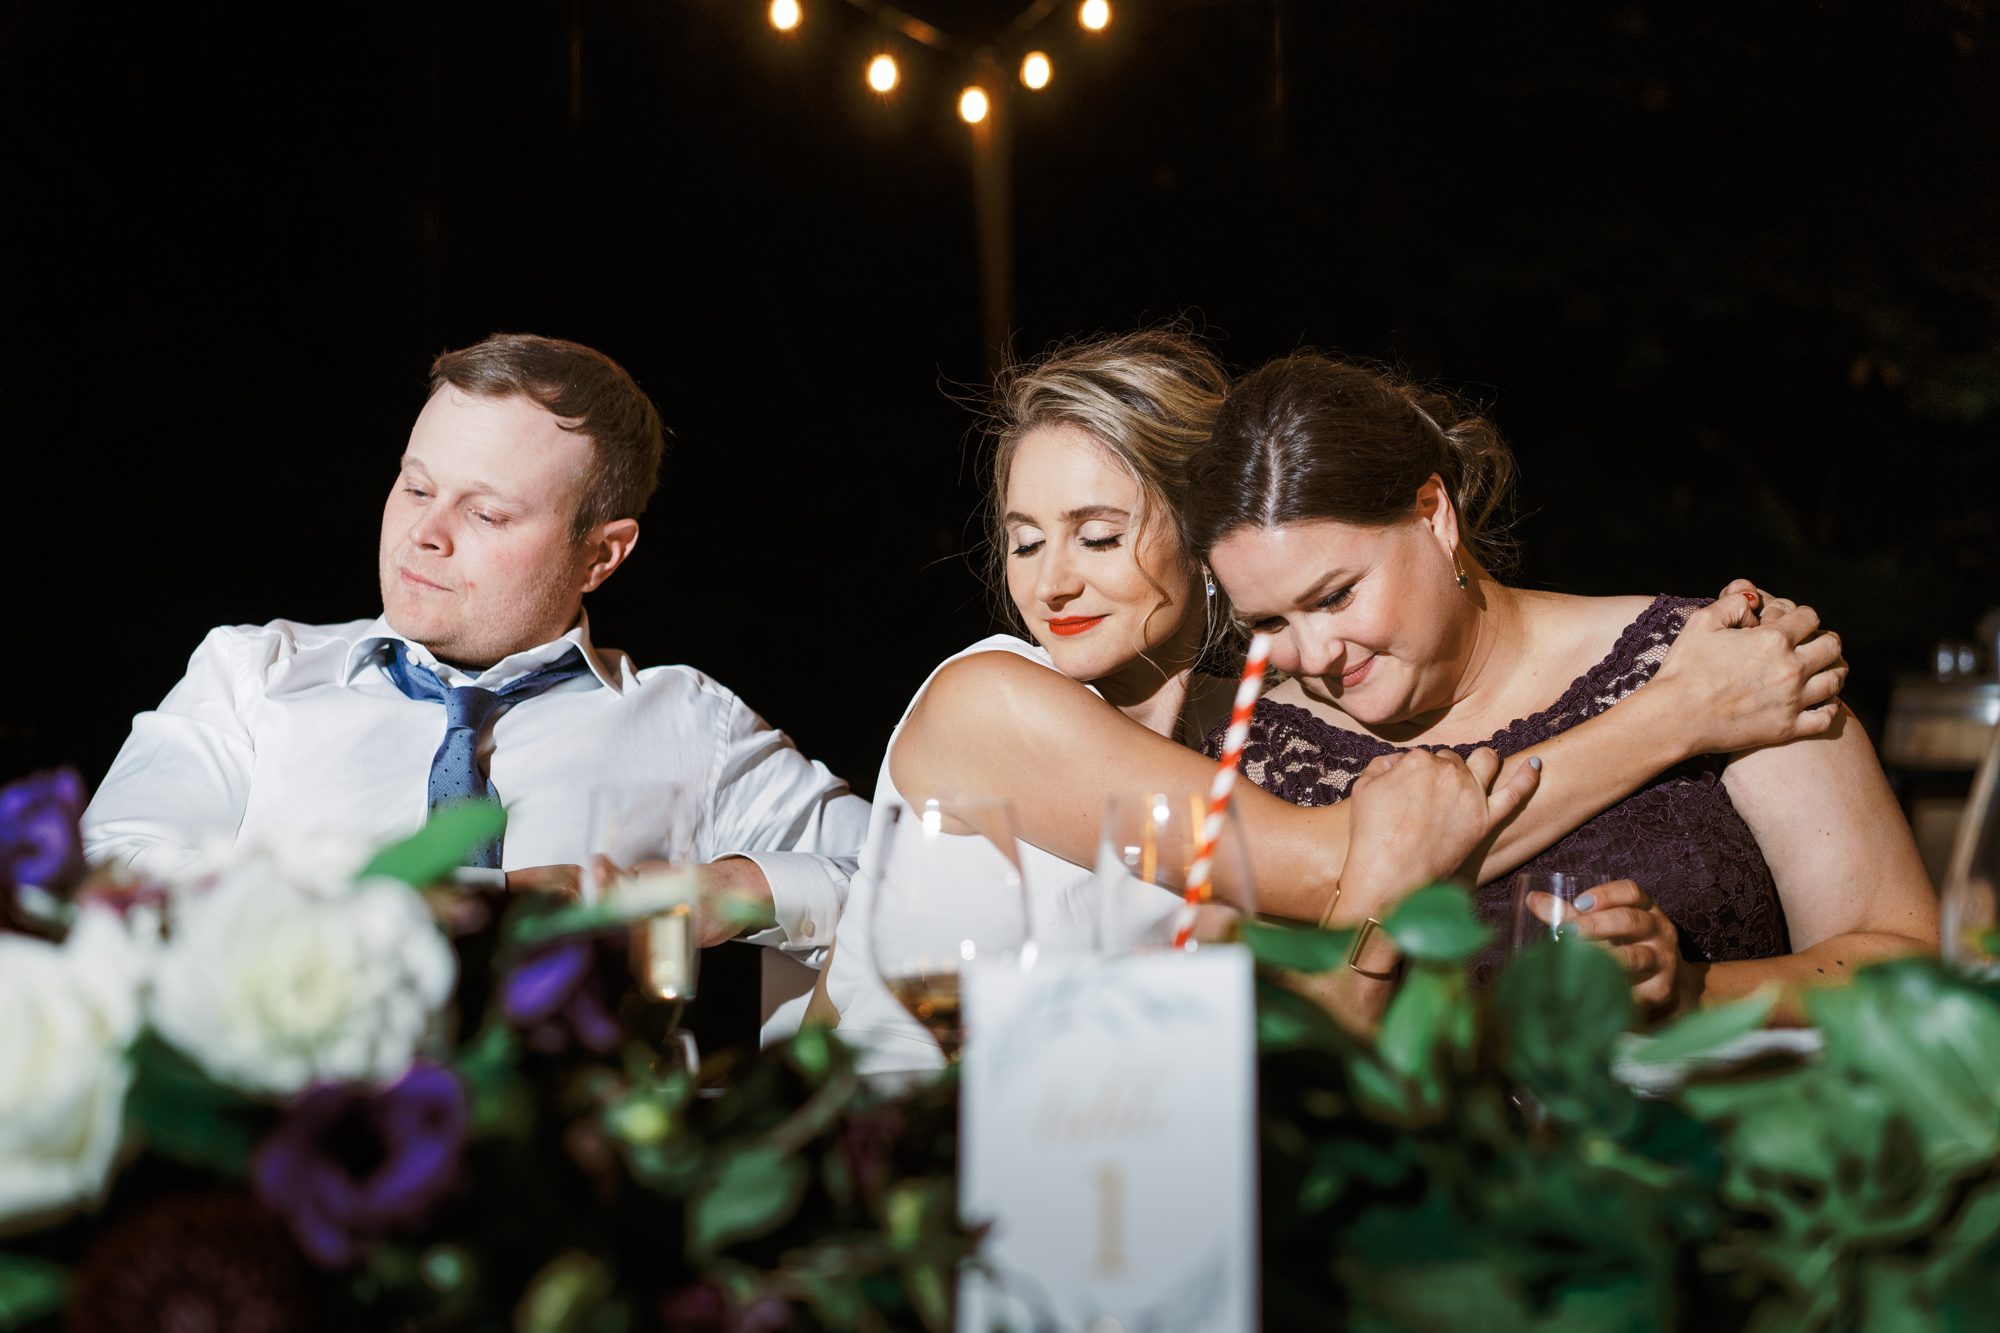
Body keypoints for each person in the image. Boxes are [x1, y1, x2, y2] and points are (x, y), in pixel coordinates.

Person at [814, 329, 1845, 1069]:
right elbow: (1346, 867)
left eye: (1095, 532)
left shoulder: (1231, 732)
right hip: (913, 1159)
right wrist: (1676, 713)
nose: (1052, 581)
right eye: (1024, 538)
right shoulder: (991, 695)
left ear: (1207, 538)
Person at [1187, 353, 1937, 1018]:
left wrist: (1697, 990)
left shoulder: (1729, 661)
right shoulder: (1239, 760)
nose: (1315, 653)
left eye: (1336, 595)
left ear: (1433, 513)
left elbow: (1910, 964)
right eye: (1269, 622)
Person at [83, 333, 865, 967]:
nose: (425, 531)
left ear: (601, 555)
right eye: (417, 488)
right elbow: (107, 868)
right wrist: (470, 903)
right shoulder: (254, 674)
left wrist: (731, 889)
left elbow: (914, 877)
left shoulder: (692, 724)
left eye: (487, 514)